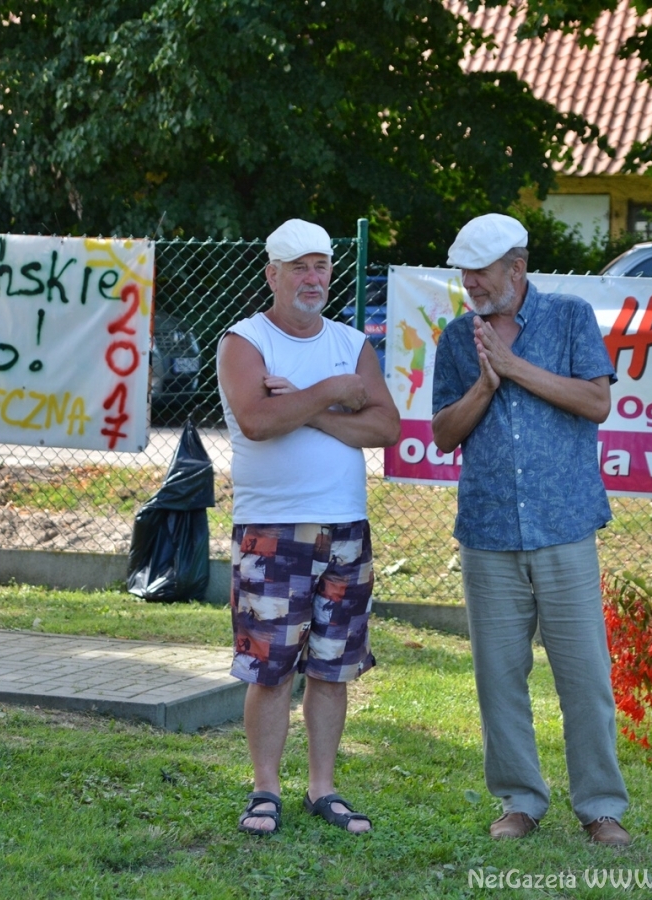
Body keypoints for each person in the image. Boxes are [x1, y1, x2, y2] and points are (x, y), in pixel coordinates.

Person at [430, 213, 632, 846]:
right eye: (464, 274)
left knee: (585, 679)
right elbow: (443, 434)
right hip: (488, 530)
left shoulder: (570, 317)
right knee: (499, 679)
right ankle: (519, 801)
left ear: (515, 269)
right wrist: (485, 385)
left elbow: (596, 402)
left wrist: (513, 367)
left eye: (480, 272)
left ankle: (601, 807)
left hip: (565, 525)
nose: (470, 284)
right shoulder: (457, 339)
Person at [217, 218, 400, 836]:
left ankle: (323, 787)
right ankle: (264, 790)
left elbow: (385, 428)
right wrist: (335, 393)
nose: (313, 278)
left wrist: (306, 402)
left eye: (321, 266)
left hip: (346, 527)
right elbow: (258, 420)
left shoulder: (351, 343)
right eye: (299, 267)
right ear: (272, 274)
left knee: (332, 665)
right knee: (270, 667)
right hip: (273, 530)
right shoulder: (245, 340)